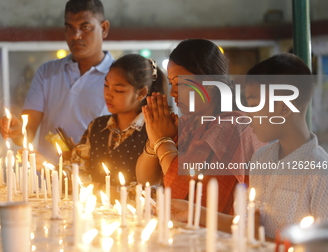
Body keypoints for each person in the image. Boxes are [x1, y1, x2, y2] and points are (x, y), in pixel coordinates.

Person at [169, 53, 328, 239]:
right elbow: (243, 225)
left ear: (285, 107)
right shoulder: (261, 158)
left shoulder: (319, 172)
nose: (248, 114)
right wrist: (193, 211)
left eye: (254, 105)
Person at [136, 39, 263, 214]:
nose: (173, 92)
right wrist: (154, 140)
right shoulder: (189, 125)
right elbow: (145, 179)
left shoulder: (232, 126)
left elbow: (186, 194)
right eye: (172, 84)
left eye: (180, 83)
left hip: (222, 234)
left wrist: (162, 140)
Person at [0, 0, 113, 163]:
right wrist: (16, 130)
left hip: (96, 182)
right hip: (47, 181)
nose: (75, 35)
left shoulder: (118, 78)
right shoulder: (47, 72)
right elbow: (27, 133)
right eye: (69, 28)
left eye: (85, 27)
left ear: (104, 28)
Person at [68, 54, 166, 188]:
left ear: (141, 93)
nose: (108, 94)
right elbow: (78, 170)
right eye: (106, 85)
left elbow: (155, 188)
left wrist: (107, 192)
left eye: (118, 90)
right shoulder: (97, 126)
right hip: (96, 207)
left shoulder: (155, 131)